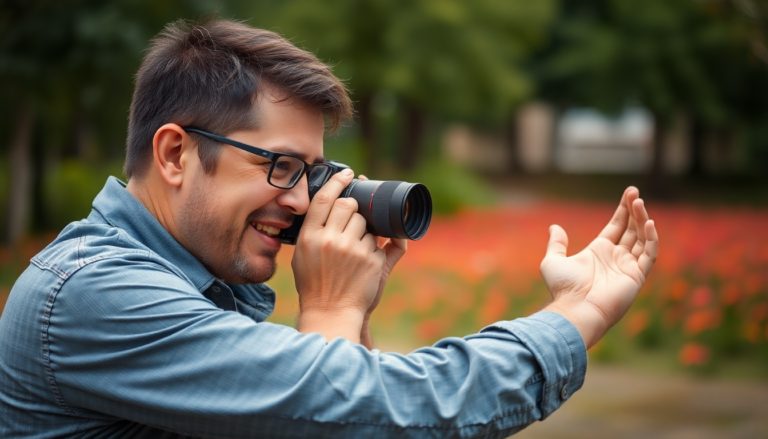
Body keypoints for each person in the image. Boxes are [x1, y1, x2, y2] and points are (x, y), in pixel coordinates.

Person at [0, 18, 658, 438]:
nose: (300, 200)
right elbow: (357, 414)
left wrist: (351, 317)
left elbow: (366, 411)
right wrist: (577, 315)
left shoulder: (196, 283)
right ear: (175, 154)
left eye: (313, 173)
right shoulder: (94, 295)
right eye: (281, 166)